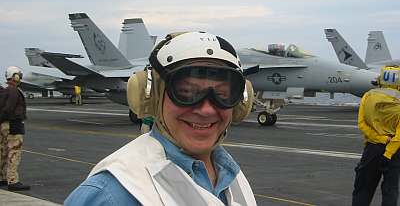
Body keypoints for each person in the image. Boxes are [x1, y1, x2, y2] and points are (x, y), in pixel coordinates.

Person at [65, 31, 257, 205]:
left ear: (241, 102)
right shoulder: (111, 195)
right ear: (149, 96)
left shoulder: (232, 177)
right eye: (186, 92)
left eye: (222, 95)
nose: (206, 110)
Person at [352, 66, 400, 206]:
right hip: (394, 152)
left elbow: (362, 124)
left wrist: (379, 139)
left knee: (363, 189)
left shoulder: (368, 96)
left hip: (372, 149)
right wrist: (389, 152)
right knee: (390, 191)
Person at [0, 66, 30, 191]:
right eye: (19, 75)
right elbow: (9, 109)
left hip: (3, 125)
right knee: (14, 152)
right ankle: (13, 181)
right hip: (13, 124)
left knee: (3, 152)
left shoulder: (5, 91)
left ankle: (2, 178)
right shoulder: (13, 91)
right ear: (15, 76)